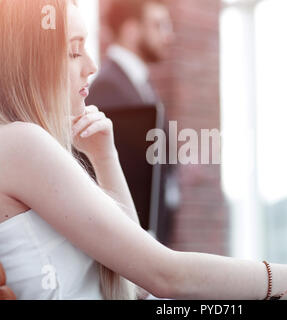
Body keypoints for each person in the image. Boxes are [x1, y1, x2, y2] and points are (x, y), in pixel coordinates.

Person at [0, 0, 287, 300]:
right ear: (34, 60)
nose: (92, 65)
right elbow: (165, 274)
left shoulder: (23, 144)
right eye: (75, 50)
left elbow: (131, 279)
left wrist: (104, 157)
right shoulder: (20, 142)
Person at [86, 0, 179, 247]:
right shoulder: (108, 86)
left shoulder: (140, 83)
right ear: (131, 30)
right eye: (159, 26)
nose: (168, 36)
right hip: (131, 244)